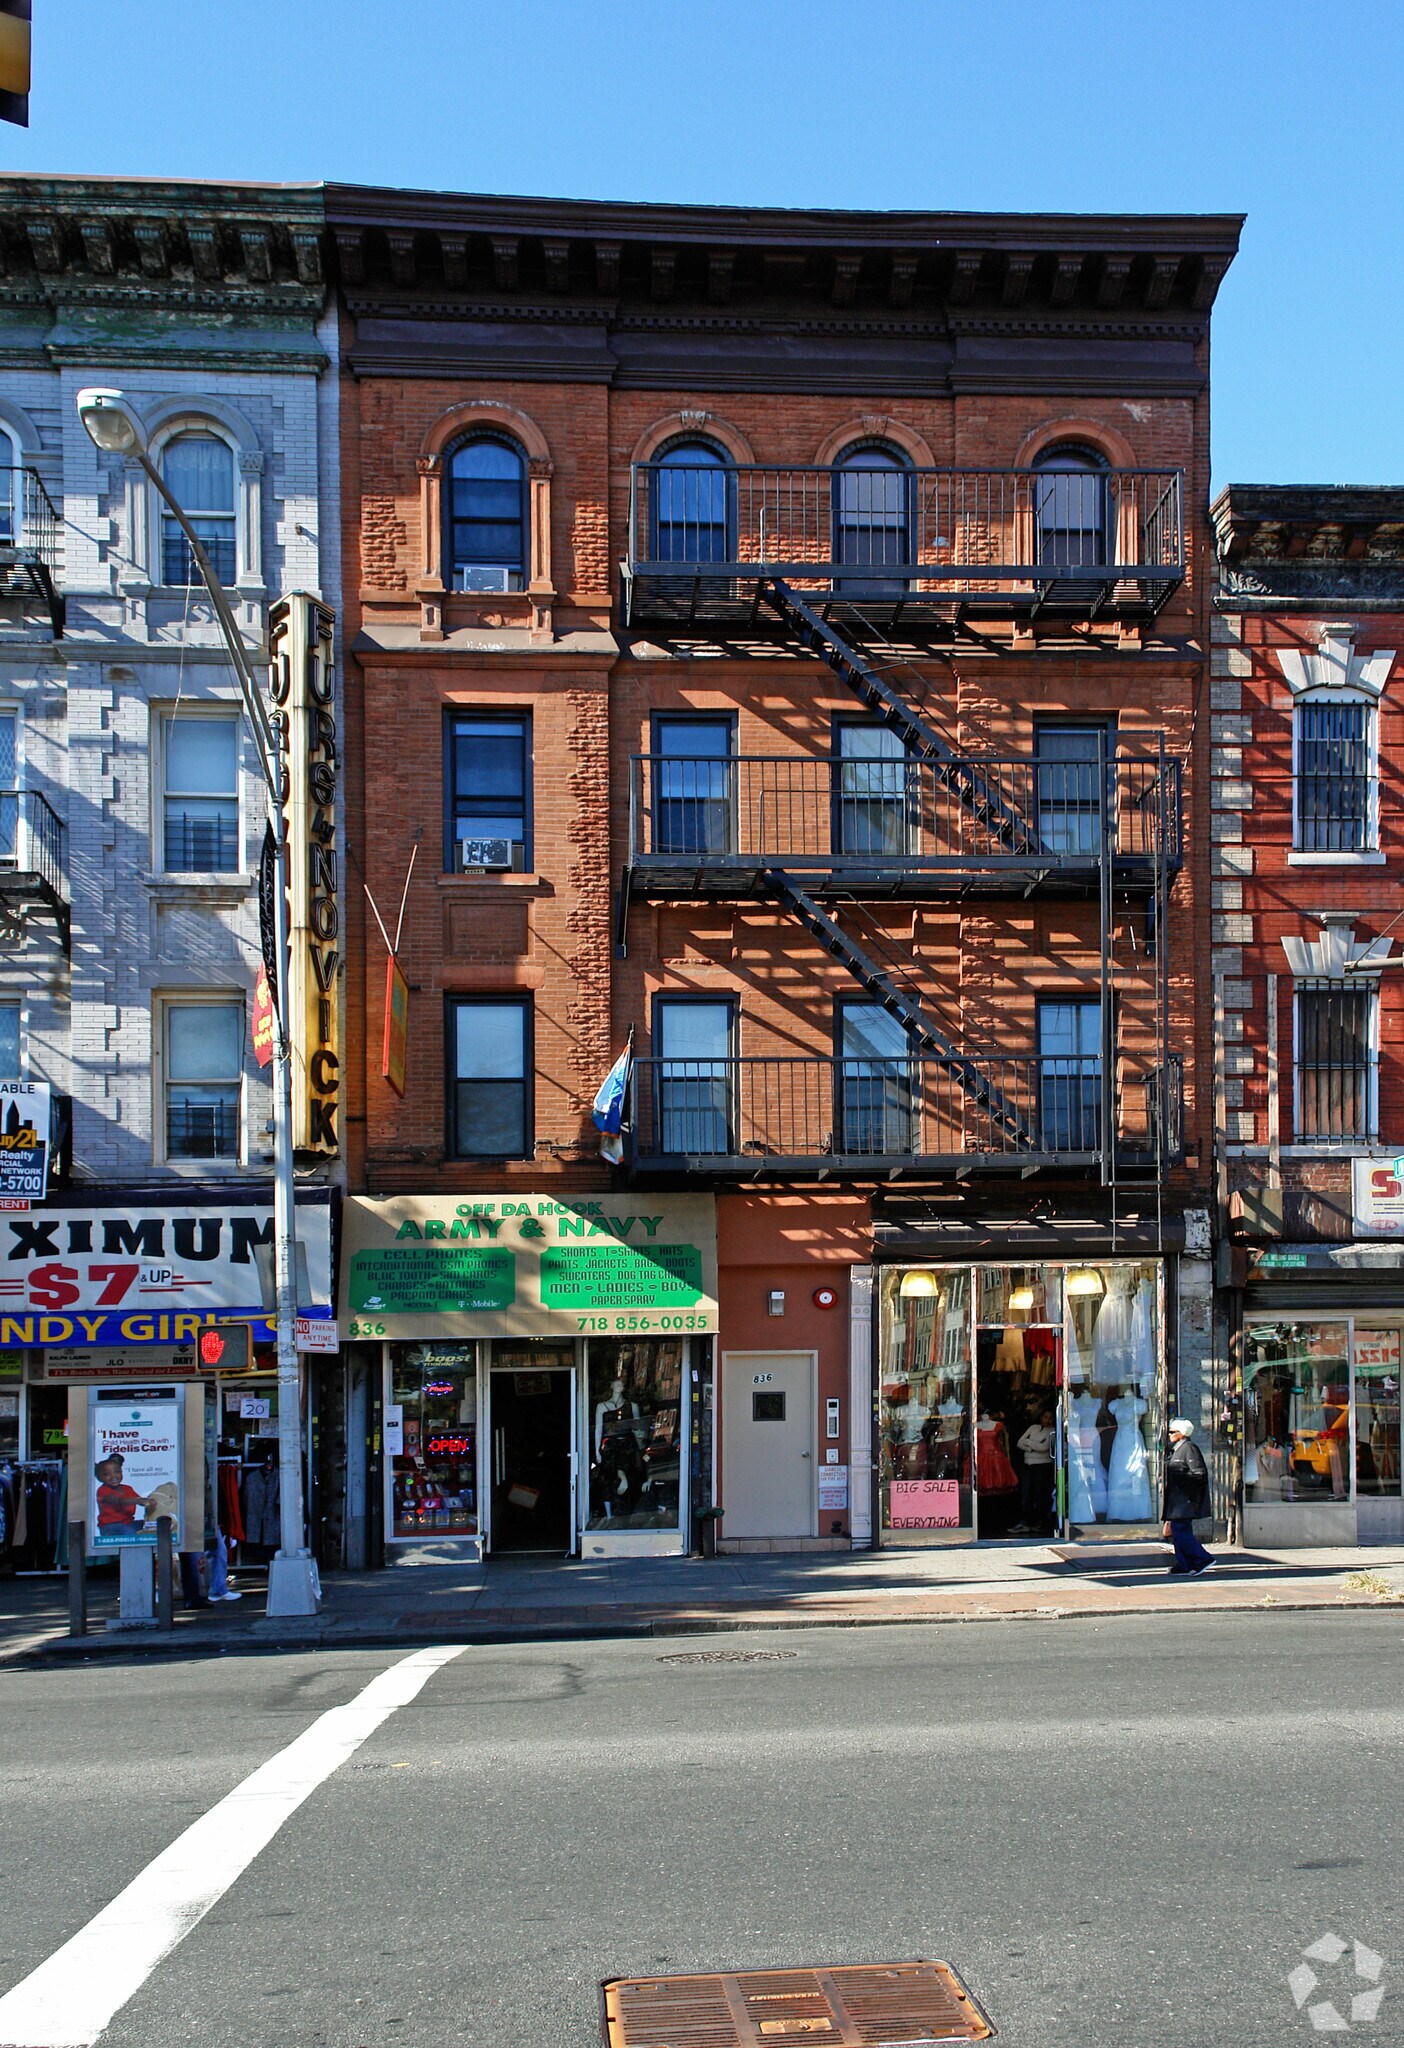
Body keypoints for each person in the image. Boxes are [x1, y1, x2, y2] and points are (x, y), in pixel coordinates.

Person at [1163, 1418, 1214, 1574]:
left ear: (1182, 1433)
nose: (1169, 1434)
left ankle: (1203, 1558)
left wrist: (1186, 1489)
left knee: (1181, 1531)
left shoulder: (1189, 1448)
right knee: (1178, 1533)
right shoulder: (1177, 1449)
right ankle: (1184, 1563)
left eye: (1173, 1432)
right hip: (1177, 1500)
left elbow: (1199, 1473)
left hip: (1185, 1500)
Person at [1013, 1408, 1057, 1534]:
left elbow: (1044, 1447)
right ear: (1041, 1417)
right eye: (1045, 1417)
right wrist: (1034, 1445)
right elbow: (1019, 1443)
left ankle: (1040, 1522)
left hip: (1043, 1466)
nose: (1047, 1420)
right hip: (1028, 1465)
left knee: (1040, 1495)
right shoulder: (1033, 1427)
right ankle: (1025, 1522)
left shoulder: (1053, 1431)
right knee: (1026, 1494)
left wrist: (1029, 1444)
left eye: (1050, 1418)